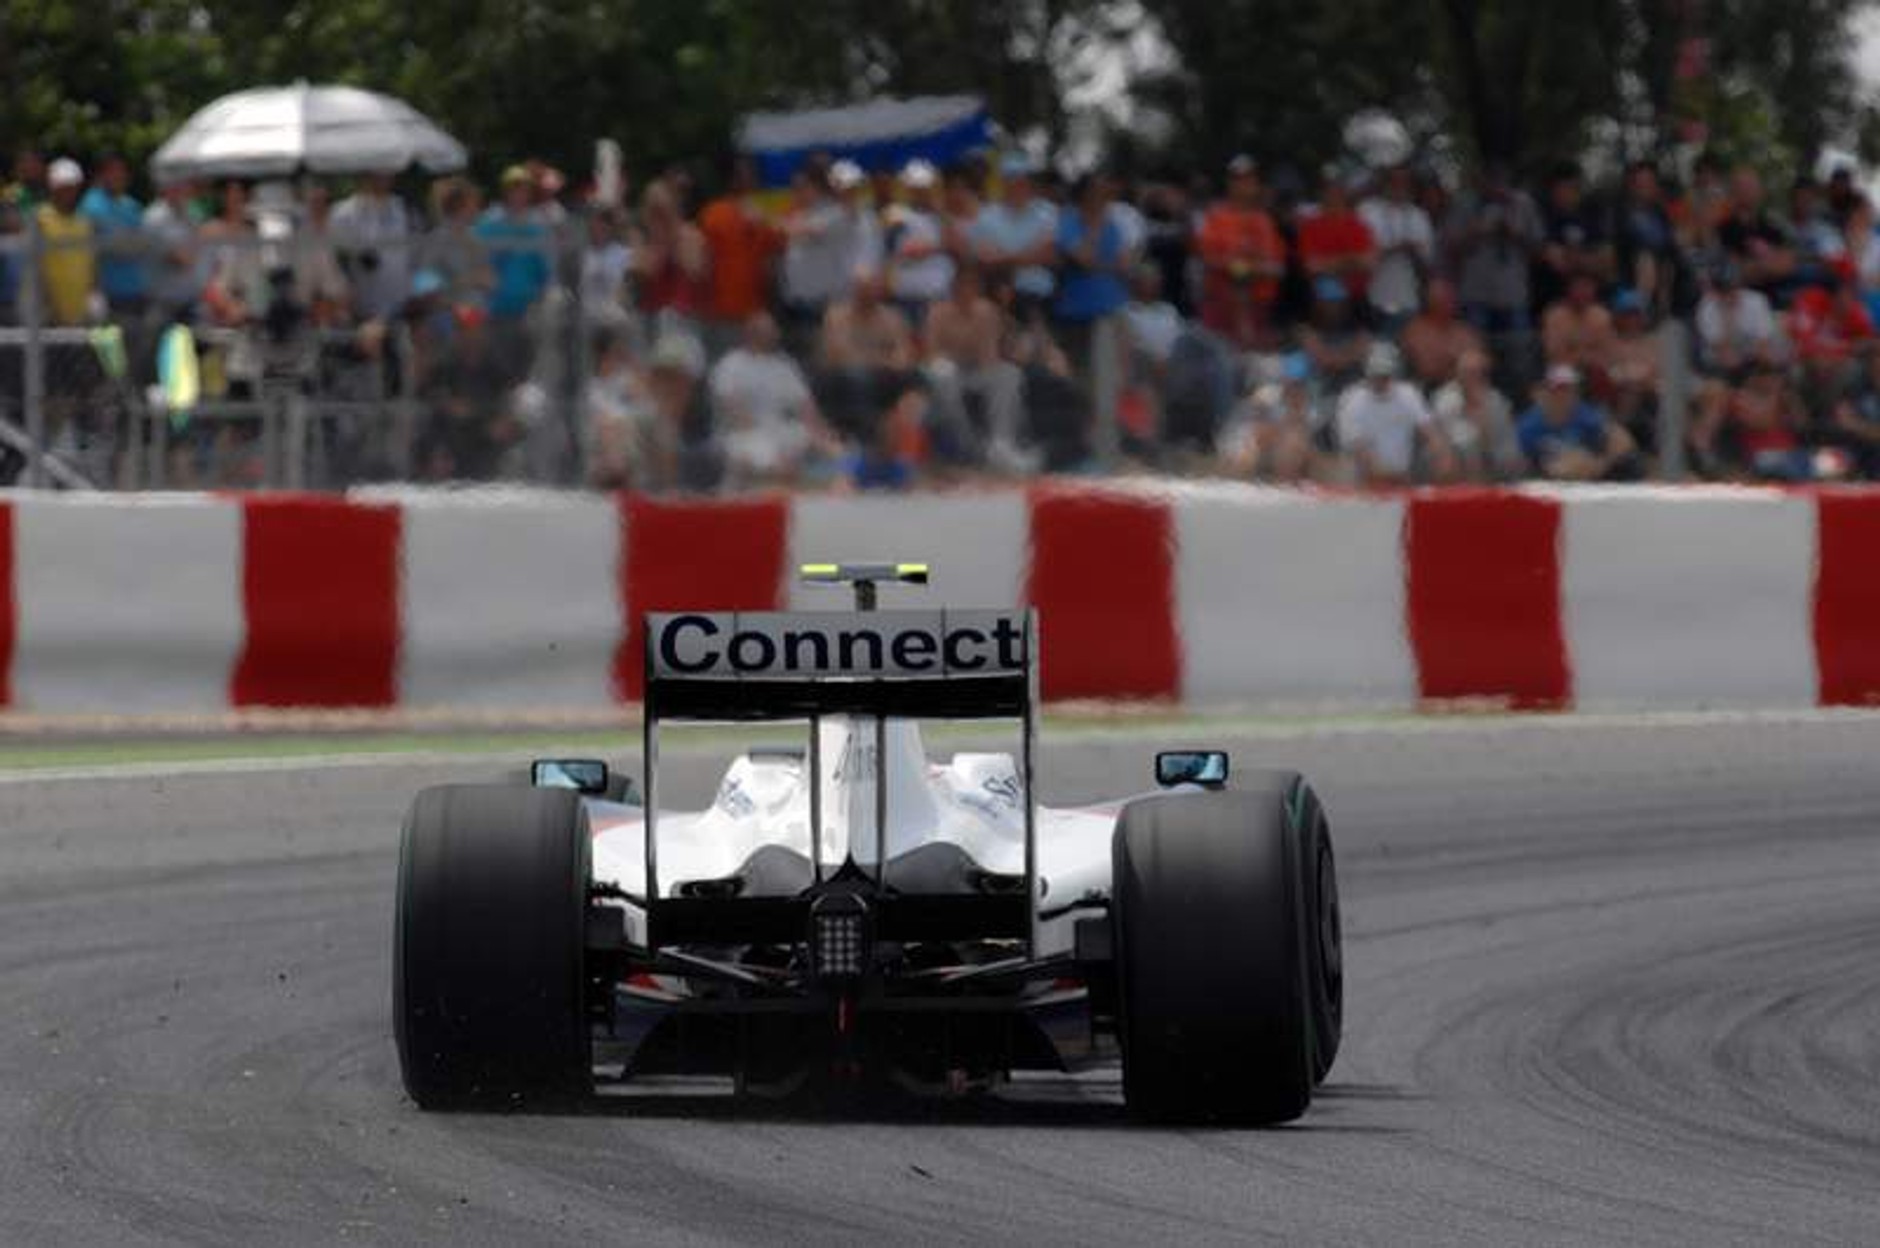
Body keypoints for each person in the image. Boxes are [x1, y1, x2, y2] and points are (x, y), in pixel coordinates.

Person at [924, 263, 1027, 470]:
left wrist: (979, 329)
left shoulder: (987, 312)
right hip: (950, 374)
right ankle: (966, 443)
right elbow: (932, 353)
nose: (966, 291)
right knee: (942, 371)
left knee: (1008, 373)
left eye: (971, 286)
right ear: (953, 288)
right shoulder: (937, 313)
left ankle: (1001, 443)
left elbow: (989, 356)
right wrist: (958, 355)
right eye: (961, 286)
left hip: (977, 372)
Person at [709, 311, 831, 485]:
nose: (774, 334)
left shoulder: (785, 364)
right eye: (767, 330)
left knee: (825, 444)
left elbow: (805, 406)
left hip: (779, 430)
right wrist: (773, 446)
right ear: (750, 333)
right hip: (739, 433)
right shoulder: (730, 365)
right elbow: (733, 410)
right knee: (761, 452)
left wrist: (821, 435)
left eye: (773, 329)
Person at [1196, 155, 1285, 350]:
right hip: (1222, 308)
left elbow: (1276, 268)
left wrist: (1242, 267)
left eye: (1249, 179)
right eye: (1237, 179)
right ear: (1229, 183)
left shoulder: (1264, 220)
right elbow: (1210, 259)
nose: (1243, 185)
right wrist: (1245, 268)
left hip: (1259, 308)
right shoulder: (1216, 216)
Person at [1443, 165, 1543, 336]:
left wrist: (1515, 234)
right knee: (1474, 355)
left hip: (1513, 295)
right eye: (1491, 184)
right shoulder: (1464, 203)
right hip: (1475, 295)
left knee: (1517, 353)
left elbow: (1538, 250)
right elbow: (1451, 249)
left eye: (1501, 184)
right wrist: (1476, 232)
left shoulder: (1524, 203)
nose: (1497, 190)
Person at [1053, 172, 1132, 384]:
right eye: (1097, 191)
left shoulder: (1112, 223)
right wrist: (1095, 227)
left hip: (1112, 306)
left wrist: (1100, 265)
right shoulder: (1068, 220)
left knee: (1113, 374)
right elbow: (1084, 259)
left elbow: (1124, 265)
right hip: (1078, 310)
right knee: (1082, 376)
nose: (1103, 196)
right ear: (1085, 194)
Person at [697, 156, 780, 356]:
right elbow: (703, 264)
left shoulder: (760, 215)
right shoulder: (713, 215)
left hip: (754, 312)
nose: (751, 178)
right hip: (722, 313)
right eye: (746, 173)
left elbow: (771, 261)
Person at [1335, 344, 1454, 484]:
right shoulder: (1352, 400)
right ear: (1368, 373)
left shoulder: (1408, 394)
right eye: (1376, 375)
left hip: (1403, 475)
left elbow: (1430, 432)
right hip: (1364, 480)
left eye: (1385, 375)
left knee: (1445, 453)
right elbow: (1362, 455)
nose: (1380, 381)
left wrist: (1443, 455)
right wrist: (1396, 478)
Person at [970, 153, 1059, 324]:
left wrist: (1003, 257)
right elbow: (984, 258)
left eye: (1022, 179)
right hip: (997, 296)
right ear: (1003, 182)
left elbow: (1050, 255)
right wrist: (1031, 255)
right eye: (1011, 179)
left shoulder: (1048, 212)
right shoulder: (986, 215)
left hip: (1040, 296)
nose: (1018, 184)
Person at [1517, 364, 1637, 480]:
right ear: (1544, 393)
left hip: (1588, 473)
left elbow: (1623, 440)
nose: (1564, 396)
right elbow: (1519, 463)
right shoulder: (1528, 425)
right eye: (1558, 390)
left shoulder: (1584, 413)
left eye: (1571, 390)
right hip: (1546, 478)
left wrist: (1601, 464)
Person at [330, 172, 412, 323]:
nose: (384, 177)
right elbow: (336, 262)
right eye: (377, 172)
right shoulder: (343, 214)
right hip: (365, 308)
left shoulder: (401, 208)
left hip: (401, 305)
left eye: (386, 171)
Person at [1360, 163, 1434, 330]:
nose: (1399, 186)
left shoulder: (1419, 216)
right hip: (1373, 297)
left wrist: (1412, 251)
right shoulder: (1367, 212)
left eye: (1404, 182)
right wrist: (1396, 248)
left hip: (1408, 299)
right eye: (1394, 181)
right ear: (1385, 183)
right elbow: (1362, 258)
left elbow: (1427, 263)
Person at [1431, 348, 1523, 481]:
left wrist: (1482, 413)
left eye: (1481, 372)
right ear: (1458, 374)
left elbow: (1508, 448)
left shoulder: (1497, 401)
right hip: (1455, 464)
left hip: (1493, 465)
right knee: (1466, 449)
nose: (1475, 377)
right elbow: (1451, 441)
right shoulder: (1444, 399)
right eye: (1469, 372)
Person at [630, 176, 709, 327]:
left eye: (659, 212)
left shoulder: (689, 236)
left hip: (685, 321)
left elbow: (695, 271)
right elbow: (640, 276)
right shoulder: (643, 241)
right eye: (650, 209)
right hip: (649, 320)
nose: (654, 218)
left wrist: (671, 235)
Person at [78, 154, 146, 322]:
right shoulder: (90, 206)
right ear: (101, 175)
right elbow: (105, 246)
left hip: (136, 291)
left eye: (121, 171)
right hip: (105, 293)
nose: (118, 176)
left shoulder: (132, 205)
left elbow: (144, 243)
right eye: (113, 171)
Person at [884, 160, 952, 325]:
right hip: (908, 297)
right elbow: (904, 251)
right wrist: (939, 246)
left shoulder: (941, 216)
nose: (922, 192)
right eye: (916, 188)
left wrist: (941, 216)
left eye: (925, 187)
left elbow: (955, 244)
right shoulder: (895, 213)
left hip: (938, 295)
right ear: (908, 188)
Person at [1297, 174, 1376, 308]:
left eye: (1337, 191)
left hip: (1358, 297)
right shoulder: (1310, 226)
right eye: (1328, 191)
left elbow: (1369, 263)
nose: (1333, 196)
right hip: (1324, 300)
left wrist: (1330, 263)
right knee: (1330, 291)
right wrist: (1349, 261)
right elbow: (1311, 267)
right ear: (1321, 194)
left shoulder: (1358, 225)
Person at [1693, 261, 1782, 379]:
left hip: (1753, 349)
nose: (1729, 294)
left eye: (1731, 288)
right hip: (1721, 355)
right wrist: (1726, 314)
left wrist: (1759, 362)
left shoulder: (1757, 300)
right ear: (1715, 291)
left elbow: (1763, 344)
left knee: (1772, 355)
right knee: (1728, 360)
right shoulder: (1706, 308)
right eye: (1723, 290)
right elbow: (1723, 351)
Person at [36, 158, 95, 327]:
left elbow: (91, 261)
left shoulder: (84, 221)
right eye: (62, 187)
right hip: (49, 313)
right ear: (52, 187)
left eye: (72, 187)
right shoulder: (40, 219)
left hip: (81, 312)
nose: (67, 192)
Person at [1400, 277, 1484, 391]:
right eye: (1445, 299)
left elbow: (1480, 361)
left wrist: (1450, 361)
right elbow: (1427, 369)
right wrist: (1457, 361)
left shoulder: (1464, 330)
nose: (1451, 302)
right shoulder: (1415, 330)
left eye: (1452, 298)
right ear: (1431, 302)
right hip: (1430, 390)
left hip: (1465, 388)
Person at [1541, 271, 1617, 381]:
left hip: (1596, 368)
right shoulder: (1554, 316)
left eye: (1588, 287)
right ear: (1568, 289)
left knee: (1611, 375)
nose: (1583, 292)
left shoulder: (1603, 315)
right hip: (1563, 370)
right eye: (1578, 287)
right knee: (1561, 374)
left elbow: (1608, 351)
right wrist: (1584, 357)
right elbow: (1554, 354)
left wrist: (1580, 355)